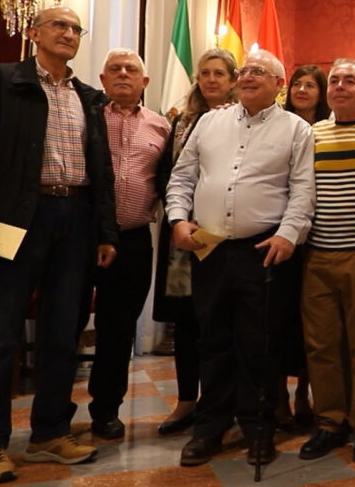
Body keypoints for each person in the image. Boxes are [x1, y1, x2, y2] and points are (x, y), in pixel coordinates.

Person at [0, 6, 116, 483]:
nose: (69, 33)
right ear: (34, 33)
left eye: (76, 28)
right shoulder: (2, 82)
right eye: (60, 25)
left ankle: (48, 434)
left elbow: (102, 173)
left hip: (74, 220)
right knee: (2, 335)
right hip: (17, 221)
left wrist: (105, 233)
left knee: (61, 333)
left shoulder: (88, 97)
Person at [166, 50, 315, 468]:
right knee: (212, 340)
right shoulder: (209, 122)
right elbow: (182, 177)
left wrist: (288, 234)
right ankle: (210, 427)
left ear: (278, 84)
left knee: (260, 345)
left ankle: (258, 427)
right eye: (245, 71)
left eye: (259, 72)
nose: (248, 77)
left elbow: (303, 190)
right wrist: (178, 220)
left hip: (263, 251)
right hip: (209, 249)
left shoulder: (297, 130)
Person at [298, 59, 355, 464]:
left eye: (349, 80)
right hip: (317, 254)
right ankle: (329, 422)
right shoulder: (312, 133)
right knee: (321, 346)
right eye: (333, 80)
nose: (339, 86)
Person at [153, 48, 238, 436]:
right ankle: (187, 400)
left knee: (223, 323)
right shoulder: (182, 122)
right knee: (186, 325)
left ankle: (225, 403)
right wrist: (179, 218)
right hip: (184, 238)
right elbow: (167, 175)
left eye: (219, 73)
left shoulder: (243, 120)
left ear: (233, 79)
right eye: (205, 73)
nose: (211, 79)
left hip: (225, 237)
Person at [88, 49, 170, 440]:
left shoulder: (162, 127)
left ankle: (106, 410)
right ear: (102, 80)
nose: (123, 74)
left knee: (118, 330)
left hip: (134, 241)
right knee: (66, 323)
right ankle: (52, 416)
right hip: (82, 238)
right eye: (115, 69)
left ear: (145, 82)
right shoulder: (86, 118)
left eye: (131, 69)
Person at [278, 63, 328, 430]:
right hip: (279, 234)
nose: (303, 90)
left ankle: (305, 395)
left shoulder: (328, 128)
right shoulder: (275, 125)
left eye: (311, 85)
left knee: (313, 323)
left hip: (320, 236)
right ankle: (278, 396)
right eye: (298, 83)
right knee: (280, 320)